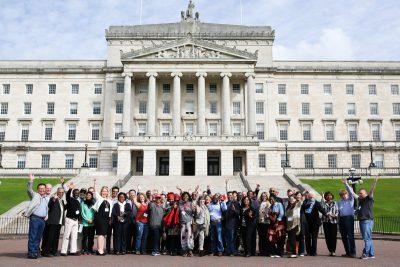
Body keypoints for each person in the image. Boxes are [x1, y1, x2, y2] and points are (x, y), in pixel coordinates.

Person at [25, 174, 49, 259]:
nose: (42, 190)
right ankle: (31, 253)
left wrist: (47, 215)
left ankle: (35, 252)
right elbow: (29, 190)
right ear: (38, 189)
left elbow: (47, 208)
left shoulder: (46, 198)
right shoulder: (35, 195)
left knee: (38, 237)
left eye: (43, 189)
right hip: (35, 218)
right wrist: (31, 180)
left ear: (45, 189)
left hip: (42, 220)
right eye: (40, 189)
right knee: (33, 236)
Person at [358, 176, 378, 259]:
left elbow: (371, 191)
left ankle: (365, 254)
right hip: (363, 220)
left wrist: (374, 182)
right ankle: (371, 253)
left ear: (365, 194)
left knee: (366, 238)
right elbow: (354, 195)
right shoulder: (361, 200)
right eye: (359, 193)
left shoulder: (368, 198)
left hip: (367, 220)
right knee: (368, 238)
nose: (360, 194)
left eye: (361, 193)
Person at [301, 191, 326, 256]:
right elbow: (302, 208)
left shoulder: (317, 203)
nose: (310, 198)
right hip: (307, 222)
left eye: (312, 197)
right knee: (307, 237)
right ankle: (308, 251)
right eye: (309, 197)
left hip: (315, 223)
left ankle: (314, 251)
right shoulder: (305, 202)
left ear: (314, 197)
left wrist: (327, 214)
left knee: (314, 238)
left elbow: (322, 210)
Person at [42, 187, 65, 257]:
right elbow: (49, 206)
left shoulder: (62, 201)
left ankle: (54, 251)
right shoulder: (53, 199)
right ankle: (46, 252)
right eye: (59, 192)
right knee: (50, 237)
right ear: (57, 192)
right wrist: (54, 199)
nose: (60, 193)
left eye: (62, 192)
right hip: (53, 221)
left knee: (56, 237)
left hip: (59, 222)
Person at [60, 183, 81, 256]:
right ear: (73, 193)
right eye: (75, 193)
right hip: (69, 219)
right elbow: (67, 195)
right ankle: (63, 251)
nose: (77, 194)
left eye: (78, 193)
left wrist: (79, 220)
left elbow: (78, 211)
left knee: (74, 236)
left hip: (76, 220)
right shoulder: (70, 199)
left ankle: (73, 250)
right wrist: (70, 189)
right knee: (66, 235)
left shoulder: (78, 201)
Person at [338, 177, 356, 258]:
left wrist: (346, 184)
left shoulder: (350, 199)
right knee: (343, 236)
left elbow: (351, 192)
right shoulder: (339, 202)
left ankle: (353, 252)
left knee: (350, 236)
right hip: (341, 219)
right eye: (342, 195)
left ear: (347, 194)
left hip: (349, 218)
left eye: (345, 194)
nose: (344, 196)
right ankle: (347, 252)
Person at [93, 186, 112, 255]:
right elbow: (95, 193)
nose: (104, 192)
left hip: (106, 219)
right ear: (101, 192)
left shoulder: (109, 200)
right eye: (103, 191)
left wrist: (110, 219)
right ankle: (99, 250)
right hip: (99, 218)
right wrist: (94, 184)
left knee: (103, 234)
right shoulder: (99, 198)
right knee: (100, 234)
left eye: (106, 191)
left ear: (107, 192)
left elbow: (110, 211)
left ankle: (101, 249)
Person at [321, 191, 339, 256]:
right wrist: (325, 215)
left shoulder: (335, 203)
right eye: (327, 195)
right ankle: (330, 250)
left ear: (332, 196)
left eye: (330, 195)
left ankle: (333, 250)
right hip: (326, 221)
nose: (329, 197)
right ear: (326, 197)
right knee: (327, 236)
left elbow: (337, 211)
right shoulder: (323, 203)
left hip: (333, 222)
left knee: (333, 236)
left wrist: (334, 215)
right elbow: (321, 210)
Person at [179, 191, 196, 257]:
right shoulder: (180, 203)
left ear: (188, 197)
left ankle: (190, 250)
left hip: (189, 221)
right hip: (182, 222)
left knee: (189, 236)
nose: (185, 197)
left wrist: (194, 209)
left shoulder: (191, 203)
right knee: (183, 236)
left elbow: (194, 212)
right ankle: (184, 250)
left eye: (187, 196)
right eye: (184, 196)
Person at [224, 191, 240, 256]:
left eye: (231, 195)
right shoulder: (226, 203)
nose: (229, 196)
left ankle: (233, 251)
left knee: (232, 238)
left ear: (233, 196)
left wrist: (234, 210)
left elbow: (238, 212)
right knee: (228, 238)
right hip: (226, 223)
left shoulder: (236, 202)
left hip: (233, 224)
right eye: (228, 195)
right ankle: (229, 251)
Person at [107, 186, 119, 254]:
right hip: (108, 218)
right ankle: (108, 249)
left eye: (116, 192)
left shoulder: (119, 199)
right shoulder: (108, 198)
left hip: (115, 219)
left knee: (115, 235)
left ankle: (115, 249)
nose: (115, 192)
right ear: (112, 191)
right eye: (114, 191)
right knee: (108, 235)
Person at [257, 192, 270, 256]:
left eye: (265, 196)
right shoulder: (260, 203)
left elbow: (269, 213)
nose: (264, 197)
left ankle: (266, 251)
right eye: (262, 196)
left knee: (265, 237)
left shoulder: (268, 203)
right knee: (261, 237)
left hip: (266, 222)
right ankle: (261, 251)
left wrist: (266, 215)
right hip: (260, 222)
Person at [126, 189, 138, 254]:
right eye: (130, 193)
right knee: (128, 235)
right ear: (129, 194)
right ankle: (128, 248)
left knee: (135, 235)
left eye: (133, 193)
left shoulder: (138, 201)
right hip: (128, 220)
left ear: (135, 194)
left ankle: (133, 248)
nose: (132, 194)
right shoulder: (127, 201)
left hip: (136, 220)